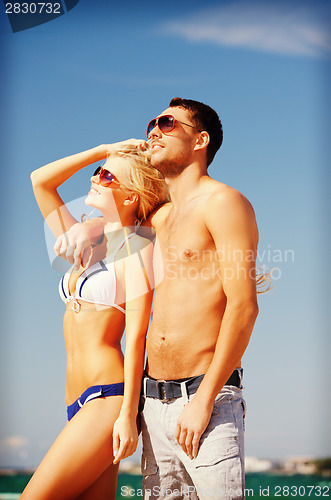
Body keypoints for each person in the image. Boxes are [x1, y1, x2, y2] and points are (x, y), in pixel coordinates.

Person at [56, 98, 261, 500]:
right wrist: (93, 224)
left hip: (207, 400)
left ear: (200, 140)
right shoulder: (158, 218)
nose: (154, 129)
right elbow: (123, 213)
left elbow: (244, 307)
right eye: (153, 122)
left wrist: (203, 401)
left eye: (168, 123)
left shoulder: (224, 203)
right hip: (153, 404)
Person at [21, 142, 169, 500]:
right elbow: (40, 181)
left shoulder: (138, 249)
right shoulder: (86, 243)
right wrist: (105, 150)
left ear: (132, 197)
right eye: (98, 172)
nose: (95, 177)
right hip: (76, 402)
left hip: (107, 399)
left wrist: (127, 415)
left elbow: (137, 337)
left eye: (107, 175)